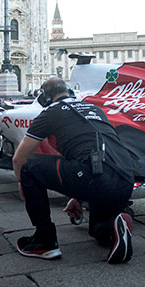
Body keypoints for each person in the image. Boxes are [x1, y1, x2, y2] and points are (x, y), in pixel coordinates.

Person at [12, 77, 135, 264]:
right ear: (70, 93)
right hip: (125, 179)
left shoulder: (51, 112)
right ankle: (116, 224)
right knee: (97, 230)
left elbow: (19, 158)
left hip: (94, 177)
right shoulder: (95, 109)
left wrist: (23, 182)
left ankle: (45, 241)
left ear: (44, 98)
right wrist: (78, 195)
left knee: (29, 169)